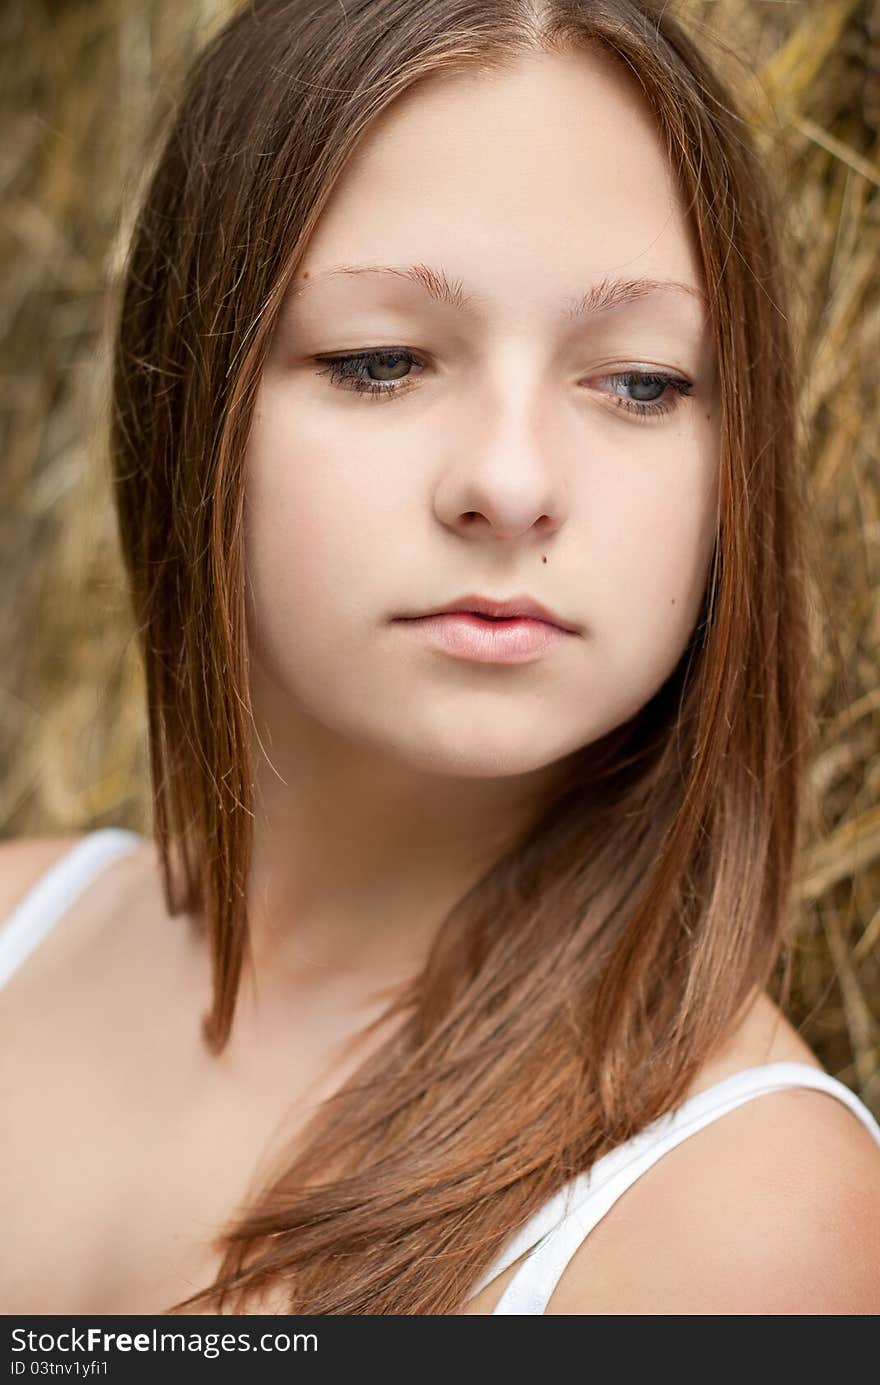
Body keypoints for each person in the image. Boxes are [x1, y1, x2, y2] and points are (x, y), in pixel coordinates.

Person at [1, 0, 879, 1317]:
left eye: (638, 381)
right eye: (382, 360)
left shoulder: (750, 1216)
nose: (511, 482)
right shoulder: (17, 928)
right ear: (189, 407)